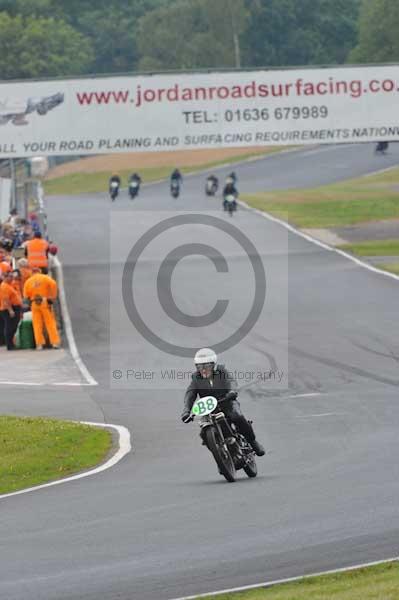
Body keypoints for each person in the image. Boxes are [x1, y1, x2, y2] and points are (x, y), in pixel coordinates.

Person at [181, 348, 265, 456]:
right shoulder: (196, 378)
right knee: (203, 434)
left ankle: (253, 442)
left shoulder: (222, 371)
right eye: (199, 366)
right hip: (209, 408)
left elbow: (231, 381)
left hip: (227, 402)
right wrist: (186, 411)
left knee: (237, 417)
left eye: (206, 366)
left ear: (214, 364)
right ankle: (220, 457)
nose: (203, 369)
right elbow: (190, 393)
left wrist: (232, 391)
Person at [23, 269, 60, 350]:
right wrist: (52, 297)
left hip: (34, 303)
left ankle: (39, 344)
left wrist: (28, 304)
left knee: (37, 324)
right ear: (39, 271)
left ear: (32, 273)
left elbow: (26, 296)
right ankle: (54, 342)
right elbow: (53, 284)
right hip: (44, 302)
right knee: (50, 323)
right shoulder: (45, 278)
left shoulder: (28, 281)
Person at [0, 270, 23, 350]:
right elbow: (5, 300)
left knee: (13, 326)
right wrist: (10, 310)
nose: (12, 278)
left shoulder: (9, 285)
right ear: (5, 277)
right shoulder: (4, 286)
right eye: (10, 277)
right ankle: (9, 345)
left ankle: (11, 343)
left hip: (14, 307)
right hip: (9, 309)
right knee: (9, 327)